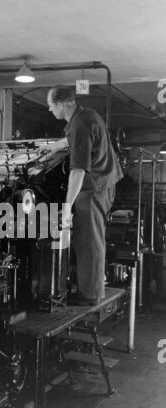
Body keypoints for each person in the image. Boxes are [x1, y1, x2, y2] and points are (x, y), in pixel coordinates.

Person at [42, 85, 123, 305]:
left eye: (51, 106)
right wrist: (51, 147)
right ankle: (90, 286)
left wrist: (67, 207)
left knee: (89, 240)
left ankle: (91, 295)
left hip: (94, 187)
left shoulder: (79, 124)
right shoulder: (87, 114)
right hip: (103, 182)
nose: (50, 110)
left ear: (61, 104)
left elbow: (78, 171)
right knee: (86, 238)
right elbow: (77, 141)